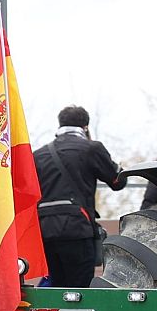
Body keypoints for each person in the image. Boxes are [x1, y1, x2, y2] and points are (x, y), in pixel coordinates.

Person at [34, 106, 125, 288]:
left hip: (44, 230)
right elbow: (117, 182)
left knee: (55, 286)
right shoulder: (91, 149)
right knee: (80, 289)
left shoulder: (39, 155)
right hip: (77, 229)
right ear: (85, 127)